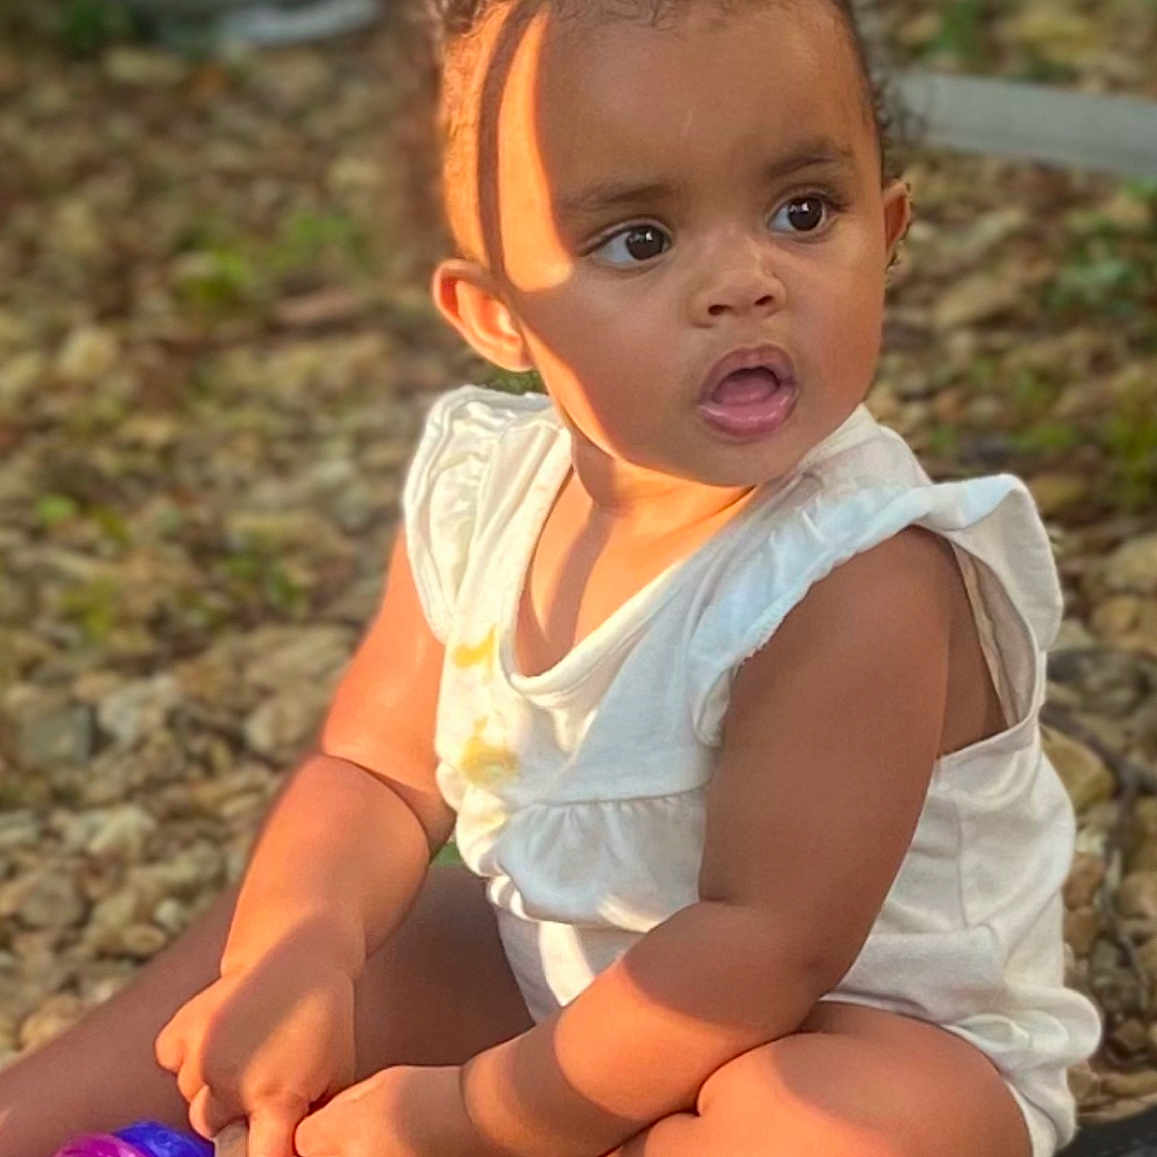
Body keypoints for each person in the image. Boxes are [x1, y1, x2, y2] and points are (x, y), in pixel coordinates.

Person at [0, 0, 1103, 1154]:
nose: (742, 280)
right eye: (637, 239)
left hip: (844, 1029)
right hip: (563, 983)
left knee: (818, 1121)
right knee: (316, 944)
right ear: (496, 316)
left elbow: (761, 945)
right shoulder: (490, 491)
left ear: (885, 232)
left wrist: (467, 1112)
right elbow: (372, 771)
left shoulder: (859, 575)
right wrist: (302, 949)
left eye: (800, 211)